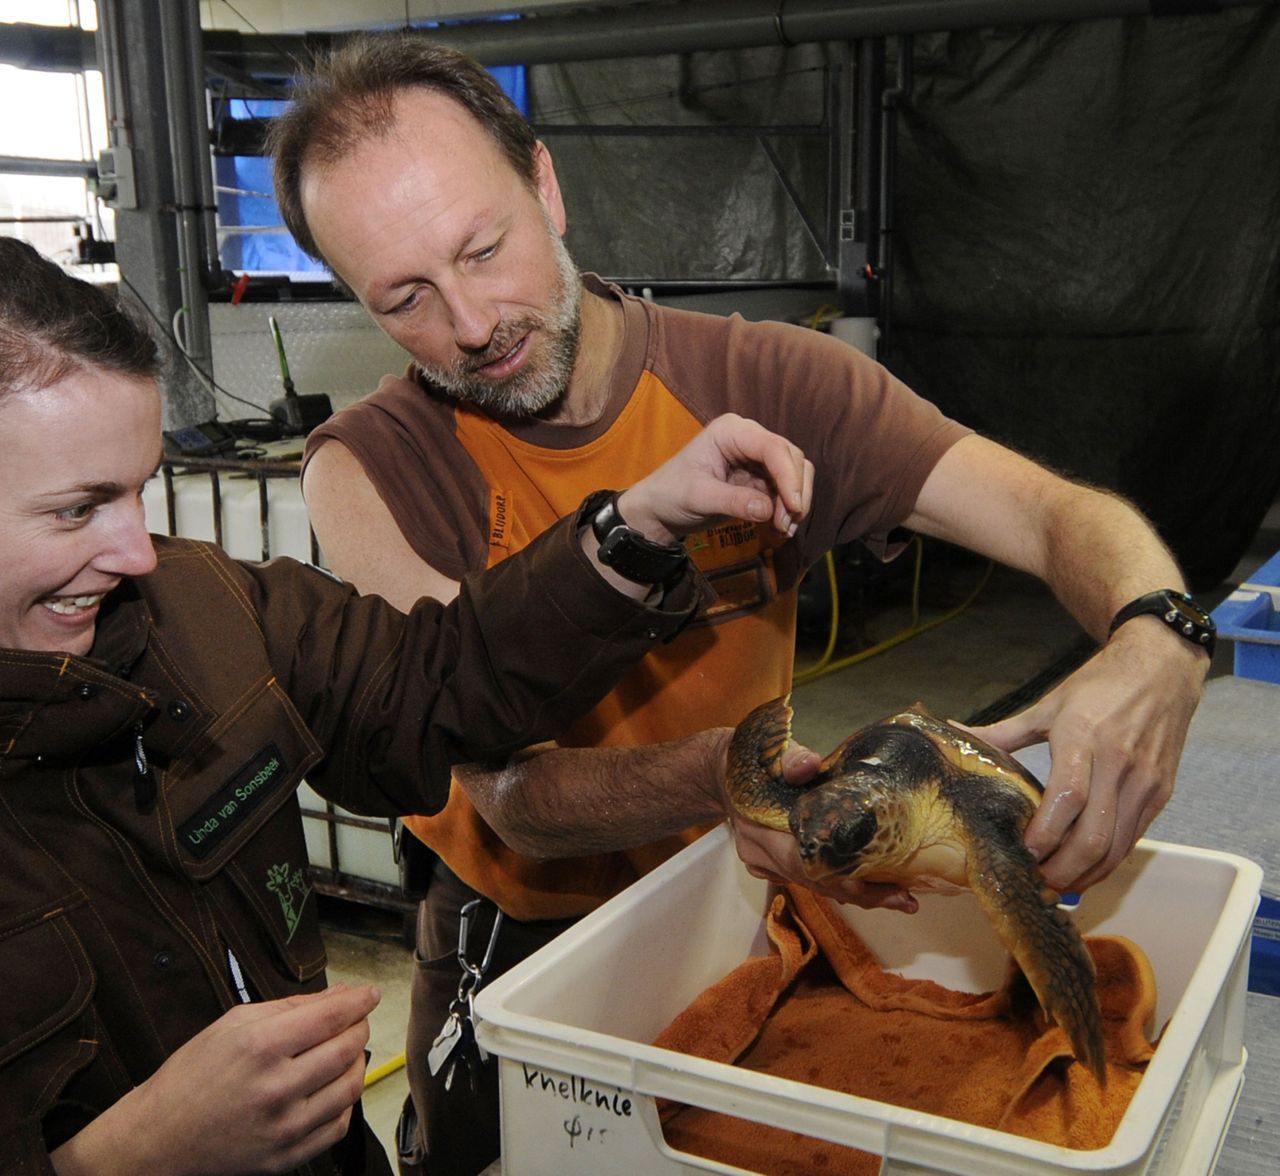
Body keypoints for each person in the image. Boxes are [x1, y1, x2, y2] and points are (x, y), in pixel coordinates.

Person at [267, 32, 1212, 1175]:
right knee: (479, 1152)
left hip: (744, 882)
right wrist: (735, 778)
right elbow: (510, 797)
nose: (472, 325)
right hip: (522, 923)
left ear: (545, 183)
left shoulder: (765, 383)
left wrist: (1158, 631)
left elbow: (1052, 515)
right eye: (404, 296)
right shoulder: (368, 470)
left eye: (483, 248)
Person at [0, 236, 816, 1176]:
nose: (137, 552)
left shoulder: (206, 611)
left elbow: (436, 677)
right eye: (76, 509)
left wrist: (634, 530)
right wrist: (125, 1159)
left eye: (139, 492)